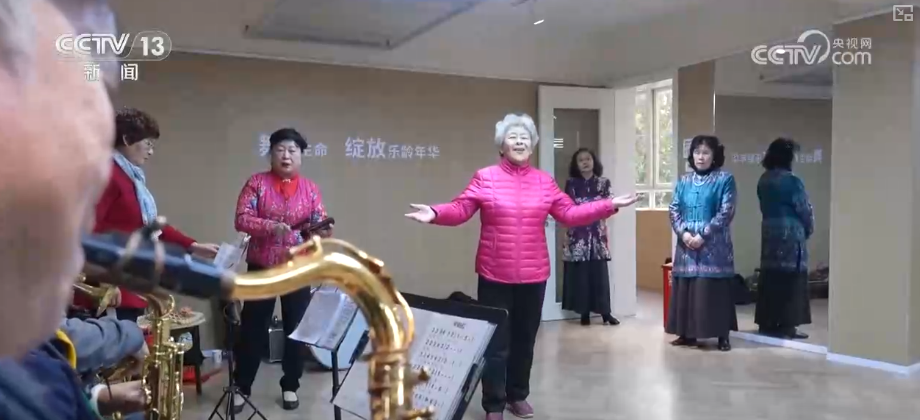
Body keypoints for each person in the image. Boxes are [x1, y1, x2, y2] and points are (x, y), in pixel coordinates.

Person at [405, 113, 638, 420]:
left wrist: (609, 205)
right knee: (496, 343)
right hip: (494, 273)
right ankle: (494, 404)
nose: (519, 142)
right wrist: (436, 213)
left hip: (533, 275)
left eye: (525, 138)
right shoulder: (485, 177)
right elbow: (461, 209)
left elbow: (569, 213)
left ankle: (518, 396)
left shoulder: (544, 182)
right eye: (513, 137)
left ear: (532, 146)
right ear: (501, 146)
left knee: (525, 341)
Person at [233, 127, 333, 411]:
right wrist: (270, 227)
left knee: (296, 328)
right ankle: (242, 386)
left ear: (301, 156)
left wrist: (323, 230)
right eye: (280, 150)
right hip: (262, 267)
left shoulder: (310, 189)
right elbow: (241, 218)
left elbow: (319, 219)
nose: (286, 156)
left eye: (293, 151)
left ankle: (291, 385)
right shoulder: (257, 183)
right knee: (253, 328)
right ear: (271, 154)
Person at [88, 107, 220, 322]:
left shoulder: (131, 178)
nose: (150, 152)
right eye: (148, 144)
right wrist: (105, 281)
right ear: (127, 139)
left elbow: (150, 225)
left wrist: (193, 246)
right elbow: (88, 230)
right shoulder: (108, 174)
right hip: (112, 289)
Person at [666, 135, 738, 352]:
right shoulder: (683, 181)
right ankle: (687, 334)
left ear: (714, 156)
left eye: (706, 152)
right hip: (686, 245)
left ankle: (722, 336)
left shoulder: (725, 179)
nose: (701, 157)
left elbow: (726, 211)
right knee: (687, 288)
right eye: (697, 152)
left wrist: (703, 235)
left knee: (713, 290)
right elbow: (674, 209)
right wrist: (684, 234)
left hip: (714, 245)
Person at [755, 138, 814, 339]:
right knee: (791, 280)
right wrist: (808, 229)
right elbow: (804, 210)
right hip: (791, 236)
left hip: (769, 236)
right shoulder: (793, 181)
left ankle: (767, 324)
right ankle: (788, 327)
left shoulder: (763, 180)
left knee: (771, 278)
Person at [561, 148, 620, 326]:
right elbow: (567, 208)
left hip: (597, 236)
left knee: (599, 276)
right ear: (576, 164)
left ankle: (606, 313)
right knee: (581, 277)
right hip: (577, 236)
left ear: (594, 161)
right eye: (581, 160)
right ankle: (584, 313)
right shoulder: (571, 184)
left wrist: (595, 208)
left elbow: (612, 206)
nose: (585, 162)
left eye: (588, 159)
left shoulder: (604, 183)